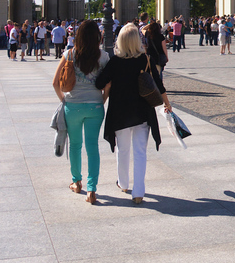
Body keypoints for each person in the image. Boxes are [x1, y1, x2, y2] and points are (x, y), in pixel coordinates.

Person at [95, 23, 171, 204]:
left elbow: (99, 83)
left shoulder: (114, 62)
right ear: (138, 41)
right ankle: (138, 191)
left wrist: (110, 84)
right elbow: (158, 86)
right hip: (142, 111)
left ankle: (122, 183)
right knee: (140, 151)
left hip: (121, 112)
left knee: (123, 149)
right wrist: (167, 104)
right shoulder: (145, 60)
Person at [53, 20, 109, 204]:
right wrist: (102, 100)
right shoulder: (103, 57)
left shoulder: (69, 54)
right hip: (95, 106)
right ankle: (91, 190)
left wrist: (64, 100)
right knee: (92, 147)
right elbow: (109, 84)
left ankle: (77, 182)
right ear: (97, 37)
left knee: (75, 145)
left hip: (73, 106)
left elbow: (55, 83)